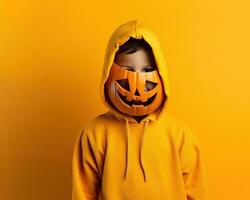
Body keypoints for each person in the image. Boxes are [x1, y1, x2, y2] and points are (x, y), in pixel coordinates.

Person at [72, 19, 208, 200]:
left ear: (161, 74)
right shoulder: (94, 134)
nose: (137, 84)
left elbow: (196, 192)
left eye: (147, 70)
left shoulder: (179, 135)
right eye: (128, 70)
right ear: (109, 73)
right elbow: (83, 193)